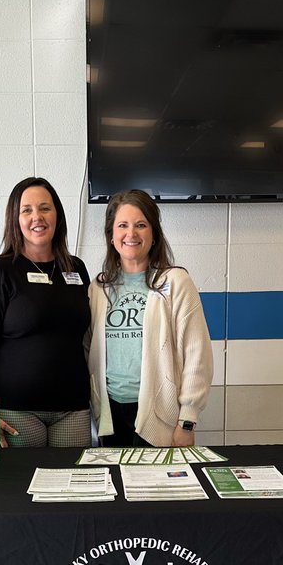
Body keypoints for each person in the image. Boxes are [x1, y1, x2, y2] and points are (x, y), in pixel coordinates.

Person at [0, 177, 91, 447]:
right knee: (21, 488)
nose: (37, 217)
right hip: (16, 411)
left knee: (74, 488)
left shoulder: (76, 269)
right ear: (15, 219)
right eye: (27, 210)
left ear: (57, 214)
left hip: (74, 410)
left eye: (45, 208)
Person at [88, 189, 212, 447]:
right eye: (122, 225)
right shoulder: (99, 288)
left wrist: (187, 420)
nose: (131, 234)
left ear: (153, 234)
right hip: (109, 415)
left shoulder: (175, 282)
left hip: (160, 418)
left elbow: (197, 354)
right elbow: (88, 348)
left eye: (141, 225)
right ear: (111, 236)